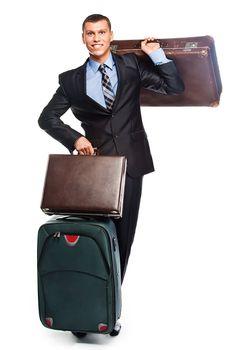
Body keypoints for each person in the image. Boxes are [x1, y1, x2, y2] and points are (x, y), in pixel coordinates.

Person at [38, 13, 184, 336]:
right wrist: (75, 138)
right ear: (83, 38)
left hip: (131, 166)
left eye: (101, 32)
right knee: (93, 241)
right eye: (90, 33)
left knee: (121, 242)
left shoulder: (131, 66)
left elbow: (175, 86)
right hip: (95, 173)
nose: (96, 38)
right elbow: (46, 118)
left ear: (110, 34)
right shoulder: (72, 80)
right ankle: (82, 309)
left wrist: (157, 54)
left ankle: (104, 309)